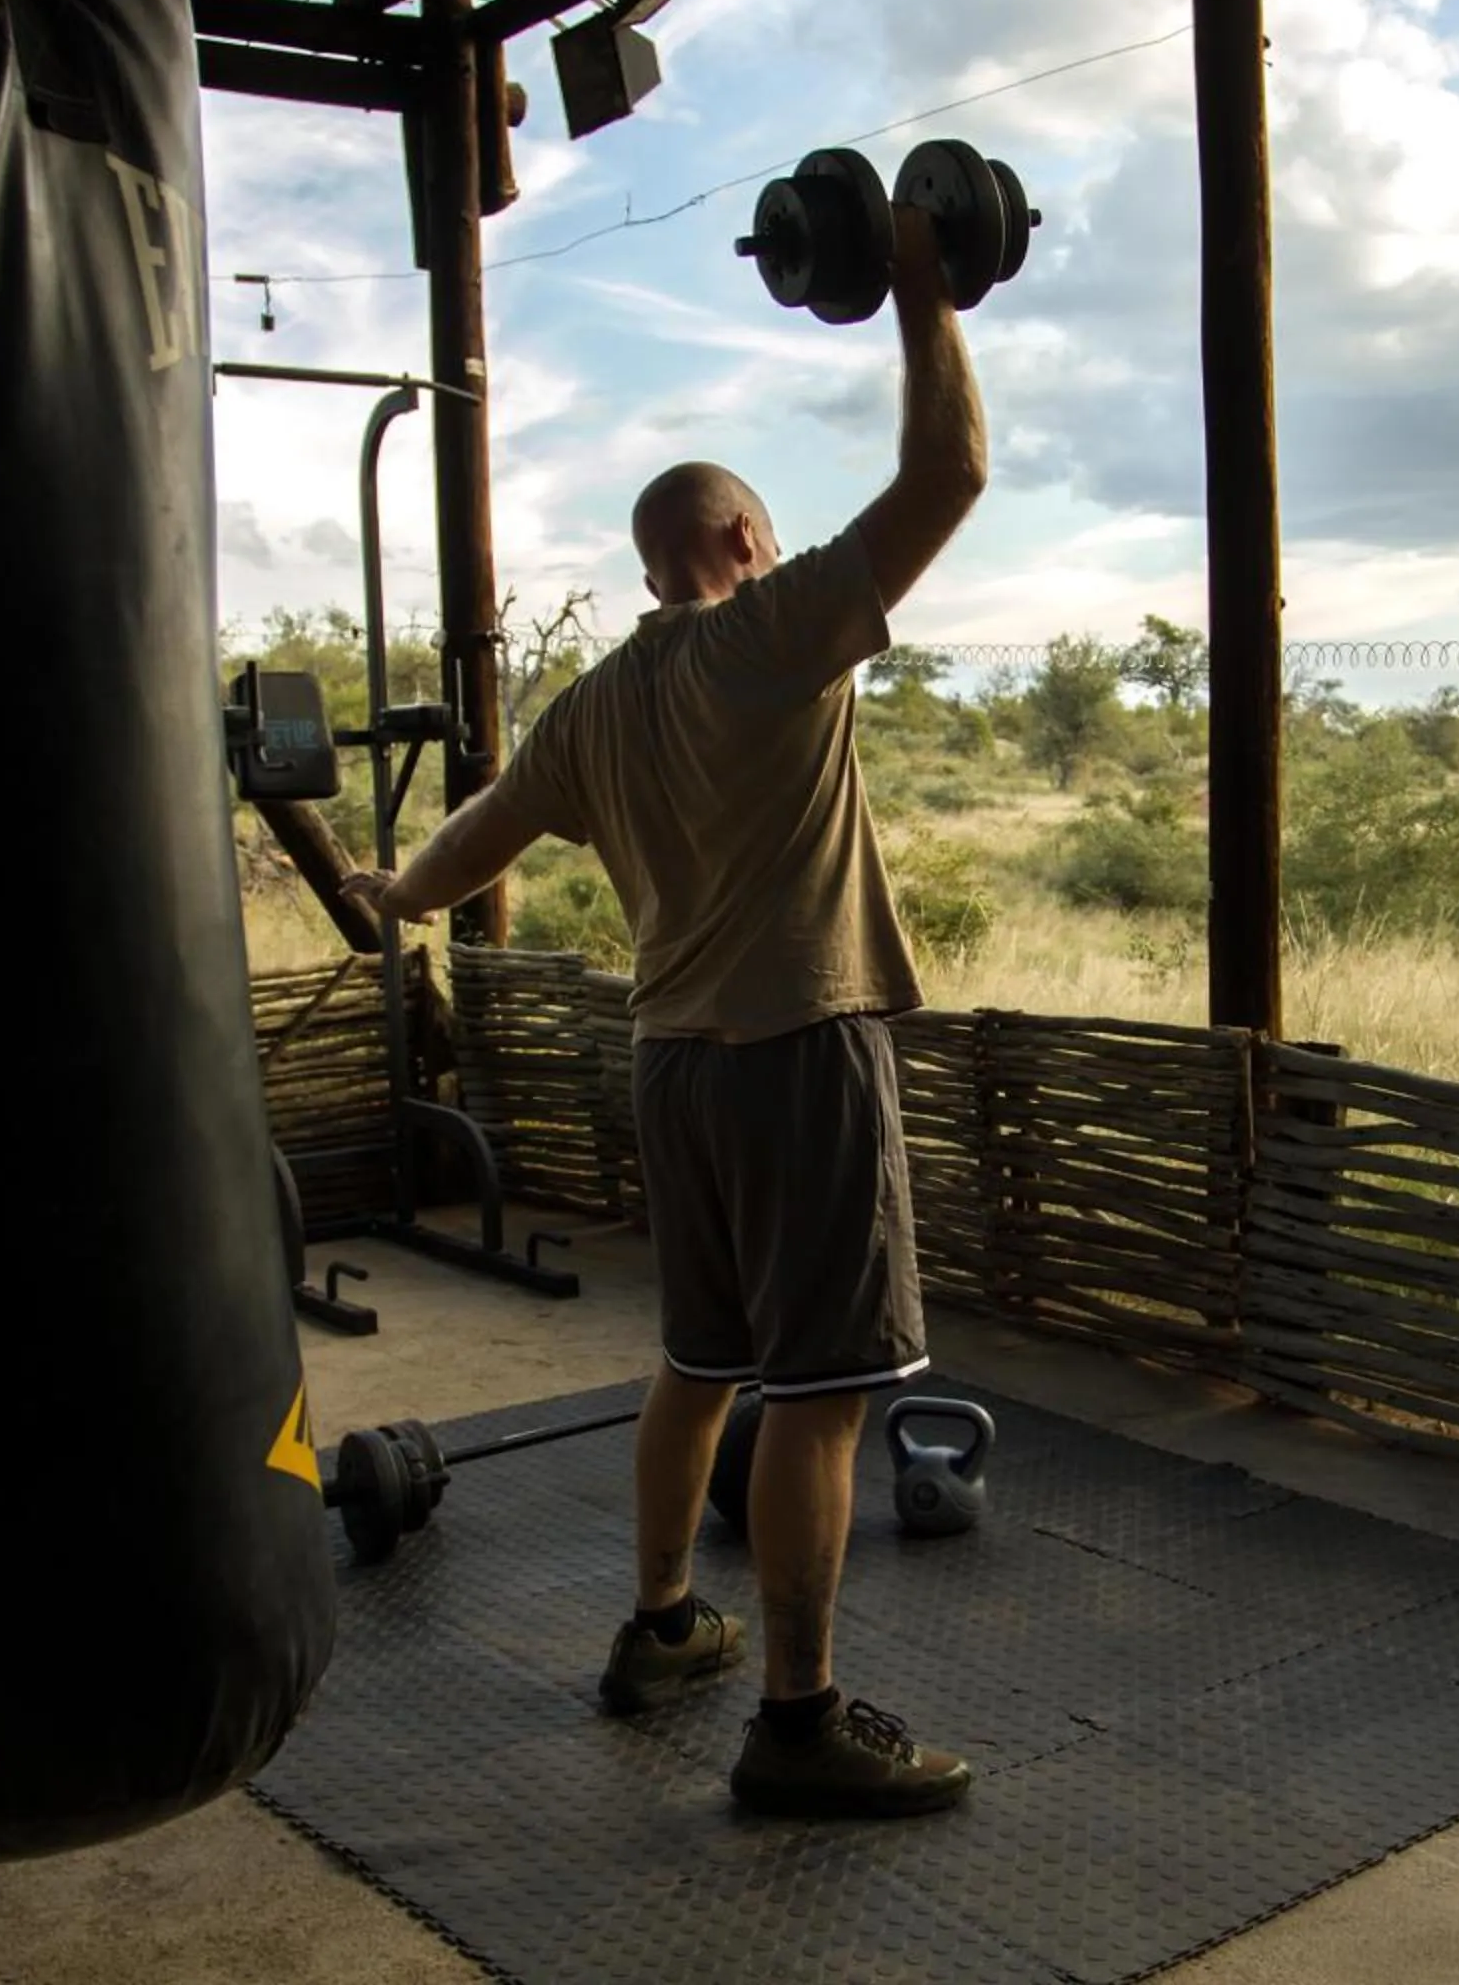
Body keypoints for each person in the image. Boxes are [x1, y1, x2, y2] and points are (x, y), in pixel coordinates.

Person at [341, 200, 988, 1821]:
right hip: (798, 1051)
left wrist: (381, 903)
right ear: (751, 549)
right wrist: (920, 288)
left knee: (698, 1361)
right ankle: (796, 1719)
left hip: (673, 1071)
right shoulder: (772, 634)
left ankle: (659, 1628)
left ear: (652, 562)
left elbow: (444, 862)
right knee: (822, 1395)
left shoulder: (591, 707)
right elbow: (949, 478)